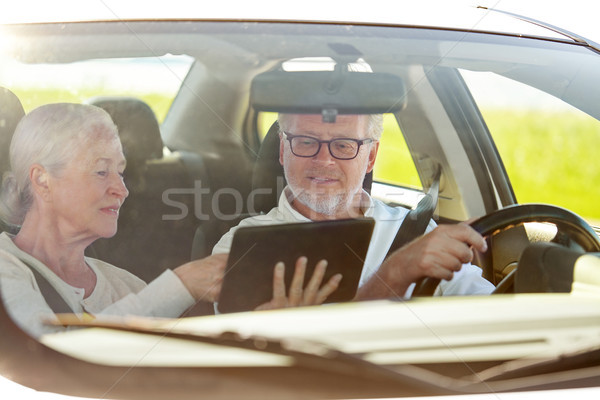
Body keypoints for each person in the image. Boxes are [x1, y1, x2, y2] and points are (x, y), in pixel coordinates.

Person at [0, 103, 339, 338]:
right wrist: (181, 283)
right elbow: (48, 355)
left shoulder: (125, 286)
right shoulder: (6, 268)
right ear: (42, 180)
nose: (121, 190)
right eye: (101, 171)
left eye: (121, 172)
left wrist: (259, 328)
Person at [213, 113, 495, 300]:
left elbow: (488, 313)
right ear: (282, 150)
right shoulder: (241, 246)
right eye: (306, 141)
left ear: (371, 156)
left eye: (345, 145)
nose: (323, 160)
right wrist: (395, 273)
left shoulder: (416, 232)